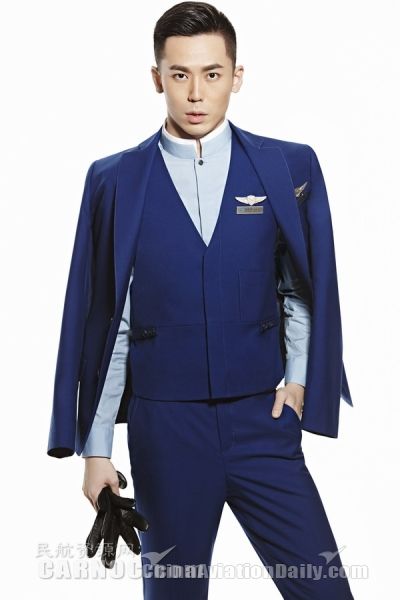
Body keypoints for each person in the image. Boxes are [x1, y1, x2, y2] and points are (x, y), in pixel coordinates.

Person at [47, 2, 354, 598]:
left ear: (236, 76)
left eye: (212, 74)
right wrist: (97, 450)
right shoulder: (115, 179)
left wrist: (296, 381)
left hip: (262, 423)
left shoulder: (287, 165)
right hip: (166, 430)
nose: (195, 93)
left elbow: (299, 287)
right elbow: (109, 322)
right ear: (157, 77)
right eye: (180, 74)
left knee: (322, 587)